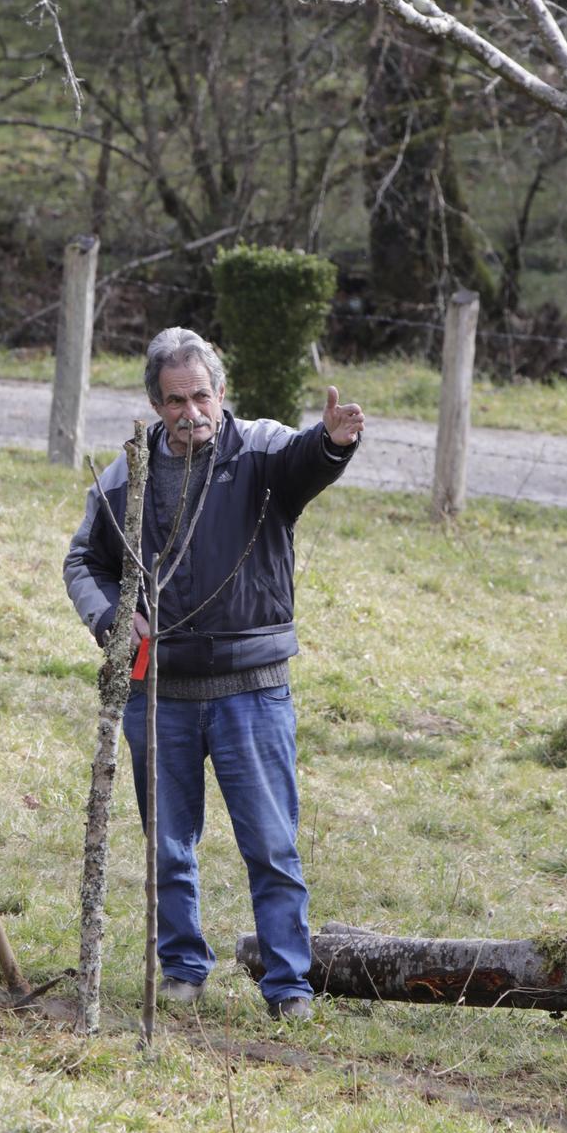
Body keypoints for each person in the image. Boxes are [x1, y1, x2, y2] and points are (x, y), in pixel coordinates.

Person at [63, 327, 364, 1020]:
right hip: (158, 691)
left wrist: (333, 442)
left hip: (250, 690)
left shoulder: (259, 449)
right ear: (155, 404)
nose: (190, 411)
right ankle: (181, 968)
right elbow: (83, 560)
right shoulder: (125, 472)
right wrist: (112, 619)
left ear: (221, 393)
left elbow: (304, 464)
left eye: (201, 395)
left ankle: (288, 985)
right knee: (168, 844)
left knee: (270, 843)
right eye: (174, 400)